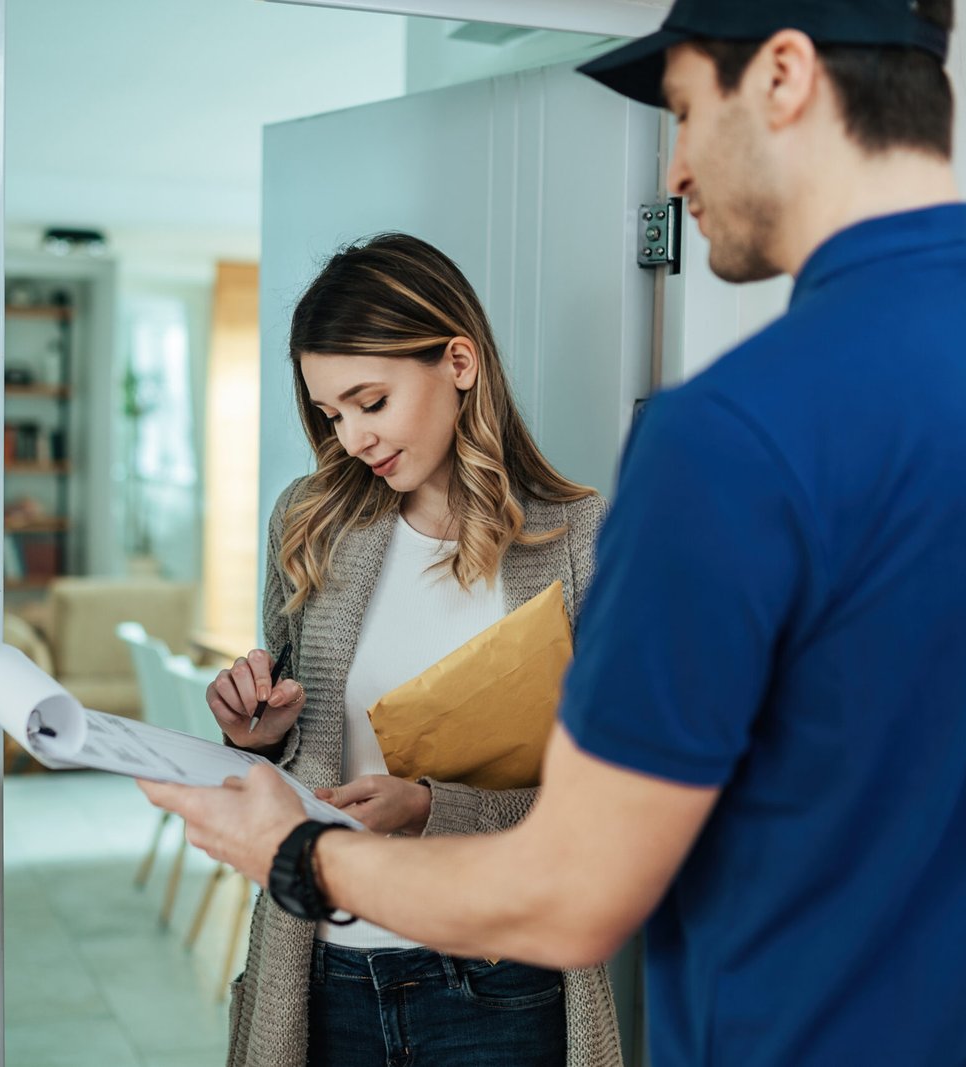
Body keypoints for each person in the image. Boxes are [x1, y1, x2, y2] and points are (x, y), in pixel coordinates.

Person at [143, 2, 966, 1064]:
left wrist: (294, 855)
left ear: (783, 75)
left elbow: (573, 892)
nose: (677, 164)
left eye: (687, 109)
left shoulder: (725, 437)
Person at [201, 232, 622, 1067]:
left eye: (371, 401)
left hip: (501, 984)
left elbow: (605, 808)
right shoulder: (310, 520)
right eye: (332, 414)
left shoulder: (578, 540)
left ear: (459, 362)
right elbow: (301, 746)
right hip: (321, 974)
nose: (353, 436)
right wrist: (257, 732)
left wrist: (434, 810)